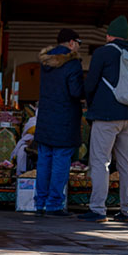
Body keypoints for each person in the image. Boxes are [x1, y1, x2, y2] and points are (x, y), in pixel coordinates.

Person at [79, 15, 128, 223]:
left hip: (106, 115)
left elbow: (91, 83)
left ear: (108, 35)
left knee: (100, 161)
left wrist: (90, 105)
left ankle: (97, 209)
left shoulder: (103, 53)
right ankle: (127, 210)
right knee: (126, 163)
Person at [33, 28, 84, 217]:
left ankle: (40, 204)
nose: (78, 47)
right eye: (78, 42)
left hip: (46, 117)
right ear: (71, 43)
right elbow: (76, 92)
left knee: (44, 160)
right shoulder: (72, 64)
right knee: (61, 161)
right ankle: (54, 205)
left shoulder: (45, 62)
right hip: (65, 119)